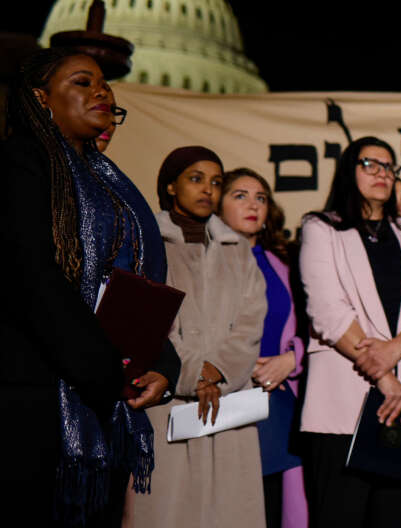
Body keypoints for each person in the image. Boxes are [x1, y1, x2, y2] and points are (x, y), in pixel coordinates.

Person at [0, 49, 178, 525]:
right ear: (41, 99)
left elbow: (138, 285)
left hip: (108, 402)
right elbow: (32, 280)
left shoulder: (115, 186)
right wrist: (105, 370)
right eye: (83, 82)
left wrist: (161, 364)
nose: (102, 90)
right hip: (38, 402)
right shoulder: (19, 164)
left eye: (104, 83)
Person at [298, 137, 401, 528]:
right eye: (370, 164)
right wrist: (383, 376)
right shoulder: (321, 227)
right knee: (340, 515)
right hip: (345, 397)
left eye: (389, 166)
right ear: (349, 169)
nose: (382, 173)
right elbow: (327, 311)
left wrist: (394, 353)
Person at [131, 146, 268, 528]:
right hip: (167, 399)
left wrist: (218, 372)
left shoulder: (237, 249)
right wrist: (193, 373)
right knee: (166, 510)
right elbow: (148, 321)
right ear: (172, 185)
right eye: (196, 179)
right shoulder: (147, 241)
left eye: (216, 182)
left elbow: (250, 322)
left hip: (228, 400)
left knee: (228, 510)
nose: (208, 189)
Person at [219, 168, 309, 528]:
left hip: (283, 398)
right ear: (217, 205)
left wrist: (292, 359)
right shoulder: (200, 260)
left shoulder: (286, 263)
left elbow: (314, 329)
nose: (253, 205)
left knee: (287, 507)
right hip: (227, 399)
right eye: (240, 196)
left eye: (261, 197)